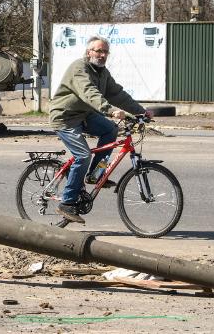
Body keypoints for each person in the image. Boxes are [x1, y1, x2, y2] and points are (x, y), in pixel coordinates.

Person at [48, 36, 152, 224]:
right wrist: (110, 110)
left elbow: (117, 94)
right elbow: (89, 93)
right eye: (99, 51)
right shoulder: (79, 68)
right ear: (89, 52)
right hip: (65, 117)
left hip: (84, 115)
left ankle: (95, 175)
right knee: (83, 156)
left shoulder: (103, 73)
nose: (103, 55)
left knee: (110, 130)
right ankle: (67, 202)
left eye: (105, 52)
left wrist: (141, 111)